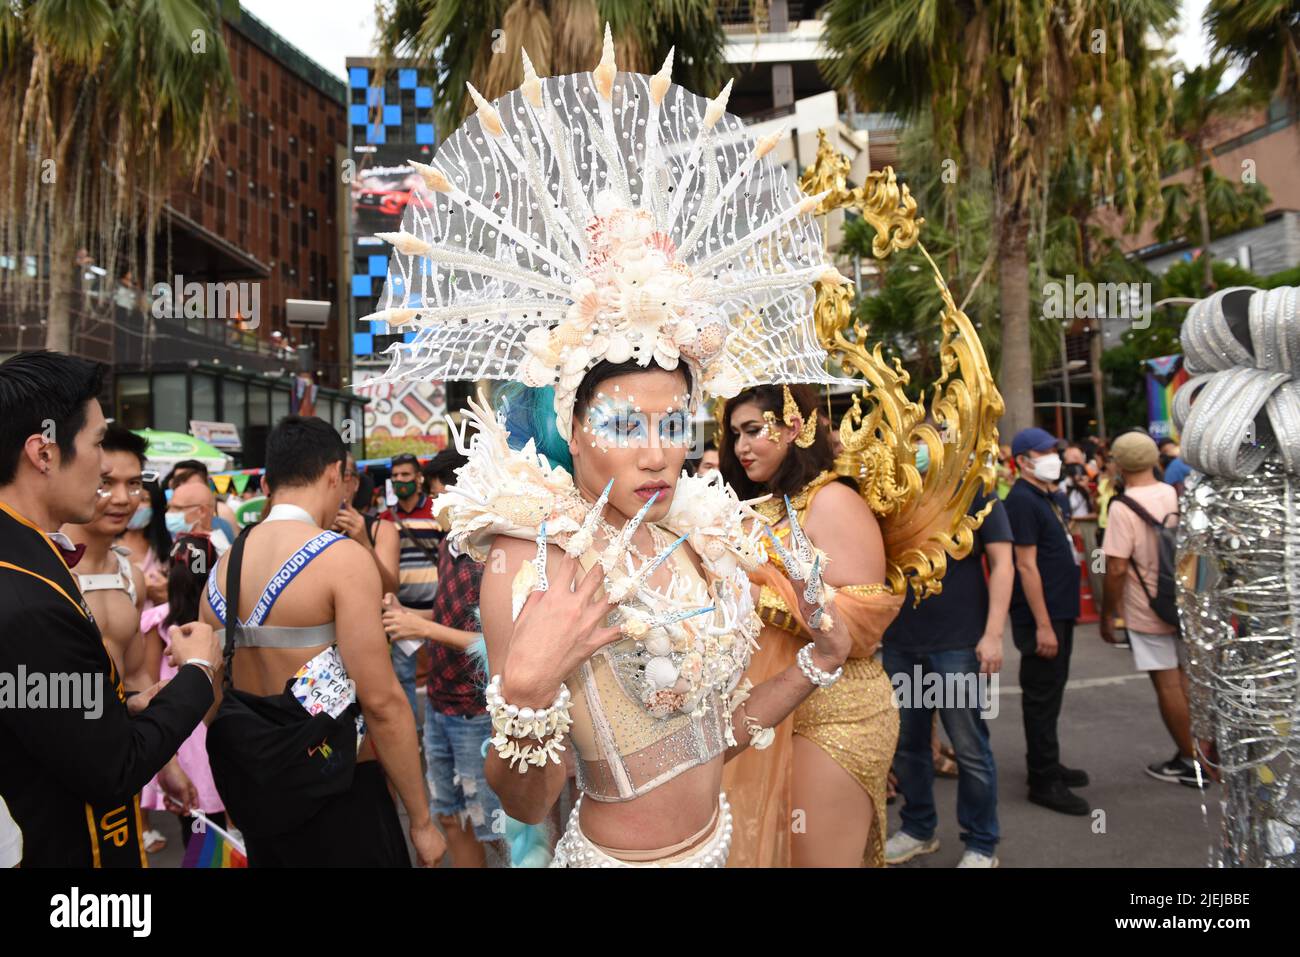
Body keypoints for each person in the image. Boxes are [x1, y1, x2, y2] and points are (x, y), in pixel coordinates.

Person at [367, 33, 862, 866]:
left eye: (676, 425)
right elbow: (525, 796)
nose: (658, 453)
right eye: (626, 426)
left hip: (720, 847)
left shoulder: (695, 537)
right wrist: (525, 692)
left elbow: (714, 738)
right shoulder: (536, 560)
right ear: (571, 426)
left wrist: (816, 662)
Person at [0, 350, 220, 866]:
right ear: (44, 453)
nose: (105, 469)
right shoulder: (24, 594)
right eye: (98, 443)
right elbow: (112, 769)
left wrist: (118, 710)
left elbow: (48, 721)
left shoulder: (30, 554)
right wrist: (198, 672)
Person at [199, 416, 445, 867]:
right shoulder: (341, 559)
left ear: (270, 479)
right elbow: (382, 702)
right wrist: (421, 820)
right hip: (341, 790)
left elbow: (212, 701)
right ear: (335, 473)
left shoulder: (221, 567)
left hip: (263, 796)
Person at [720, 383, 900, 867]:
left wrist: (756, 596)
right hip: (765, 706)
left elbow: (864, 623)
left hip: (836, 710)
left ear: (793, 427)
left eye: (755, 430)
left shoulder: (832, 500)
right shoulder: (755, 507)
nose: (741, 446)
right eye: (735, 433)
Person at [383, 447, 506, 867]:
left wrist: (423, 629)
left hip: (476, 713)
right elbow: (442, 615)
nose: (435, 506)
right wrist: (407, 616)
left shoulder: (493, 556)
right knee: (449, 816)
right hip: (438, 705)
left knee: (494, 827)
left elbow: (492, 643)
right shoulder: (449, 548)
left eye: (441, 496)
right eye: (433, 496)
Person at [881, 487, 1014, 868]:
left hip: (958, 644)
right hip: (900, 643)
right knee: (908, 745)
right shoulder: (891, 492)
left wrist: (993, 635)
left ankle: (982, 843)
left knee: (969, 747)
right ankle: (919, 829)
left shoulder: (975, 489)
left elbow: (1003, 563)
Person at [1099, 432, 1201, 786]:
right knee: (1187, 678)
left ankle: (1192, 763)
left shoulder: (1122, 507)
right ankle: (1200, 749)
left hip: (1146, 606)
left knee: (1167, 683)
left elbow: (1114, 569)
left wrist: (1108, 614)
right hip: (1182, 601)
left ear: (1119, 465)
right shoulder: (1172, 493)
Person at [1004, 427, 1088, 815]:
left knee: (1051, 694)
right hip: (1044, 616)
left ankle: (1048, 763)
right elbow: (1025, 564)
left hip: (1059, 611)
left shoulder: (1046, 496)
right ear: (1023, 461)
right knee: (1041, 696)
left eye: (1055, 449)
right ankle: (1043, 780)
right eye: (1044, 452)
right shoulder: (1022, 500)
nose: (1053, 456)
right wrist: (1042, 625)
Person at [139, 534, 225, 847]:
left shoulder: (158, 623)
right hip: (216, 728)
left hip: (182, 736)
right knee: (226, 826)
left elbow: (150, 685)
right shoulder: (223, 623)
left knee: (198, 829)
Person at [60, 423, 149, 686]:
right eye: (106, 483)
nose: (122, 498)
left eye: (133, 483)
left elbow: (136, 676)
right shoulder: (42, 568)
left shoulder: (131, 577)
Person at [378, 451, 443, 718]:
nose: (399, 480)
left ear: (419, 478)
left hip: (437, 611)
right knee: (403, 675)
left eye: (405, 474)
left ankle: (434, 730)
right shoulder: (384, 521)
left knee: (440, 675)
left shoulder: (437, 512)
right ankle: (412, 731)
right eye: (395, 476)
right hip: (401, 613)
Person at [332, 452, 401, 595]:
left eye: (344, 473)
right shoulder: (307, 527)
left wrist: (364, 543)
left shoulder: (380, 530)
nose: (336, 480)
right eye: (330, 473)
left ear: (356, 484)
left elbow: (390, 591)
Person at [118, 475, 172, 611]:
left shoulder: (165, 548)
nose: (136, 505)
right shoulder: (106, 543)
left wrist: (164, 595)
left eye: (144, 500)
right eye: (133, 497)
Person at [166, 459, 239, 542]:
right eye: (178, 483)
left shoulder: (223, 517)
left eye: (193, 487)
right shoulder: (167, 521)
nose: (184, 491)